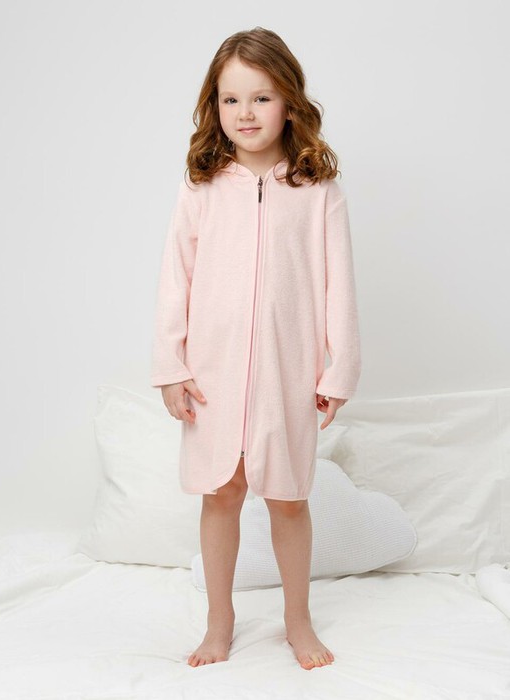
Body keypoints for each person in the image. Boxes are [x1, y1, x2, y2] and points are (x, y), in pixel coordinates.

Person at [150, 26, 361, 670]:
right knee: (222, 492)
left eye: (262, 98)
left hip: (288, 371)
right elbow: (175, 278)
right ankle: (220, 621)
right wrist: (171, 366)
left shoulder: (317, 190)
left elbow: (339, 285)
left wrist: (340, 370)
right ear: (214, 105)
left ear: (290, 103)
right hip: (212, 372)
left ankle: (298, 620)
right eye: (231, 99)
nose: (245, 113)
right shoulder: (201, 186)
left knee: (289, 497)